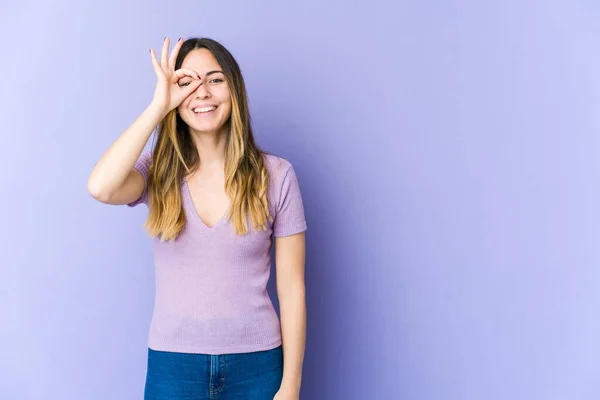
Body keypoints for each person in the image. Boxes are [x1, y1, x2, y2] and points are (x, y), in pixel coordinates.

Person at [87, 36, 307, 400]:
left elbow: (292, 288)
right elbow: (101, 187)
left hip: (257, 366)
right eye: (188, 82)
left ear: (234, 90)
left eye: (215, 80)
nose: (202, 92)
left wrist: (291, 385)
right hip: (173, 367)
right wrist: (158, 106)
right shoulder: (156, 172)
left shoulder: (277, 175)